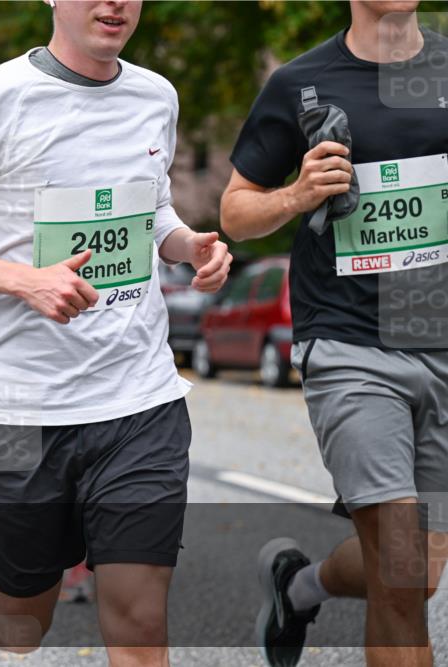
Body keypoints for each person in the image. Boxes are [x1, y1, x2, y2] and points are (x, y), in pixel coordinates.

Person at [0, 2, 231, 665]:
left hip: (139, 400)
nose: (114, 5)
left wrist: (187, 243)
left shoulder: (155, 95)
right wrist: (26, 280)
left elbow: (151, 206)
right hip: (16, 411)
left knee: (139, 618)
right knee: (23, 614)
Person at [219, 3, 447, 666]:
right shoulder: (302, 82)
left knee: (419, 572)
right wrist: (295, 195)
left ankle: (300, 584)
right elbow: (236, 210)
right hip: (352, 345)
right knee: (402, 577)